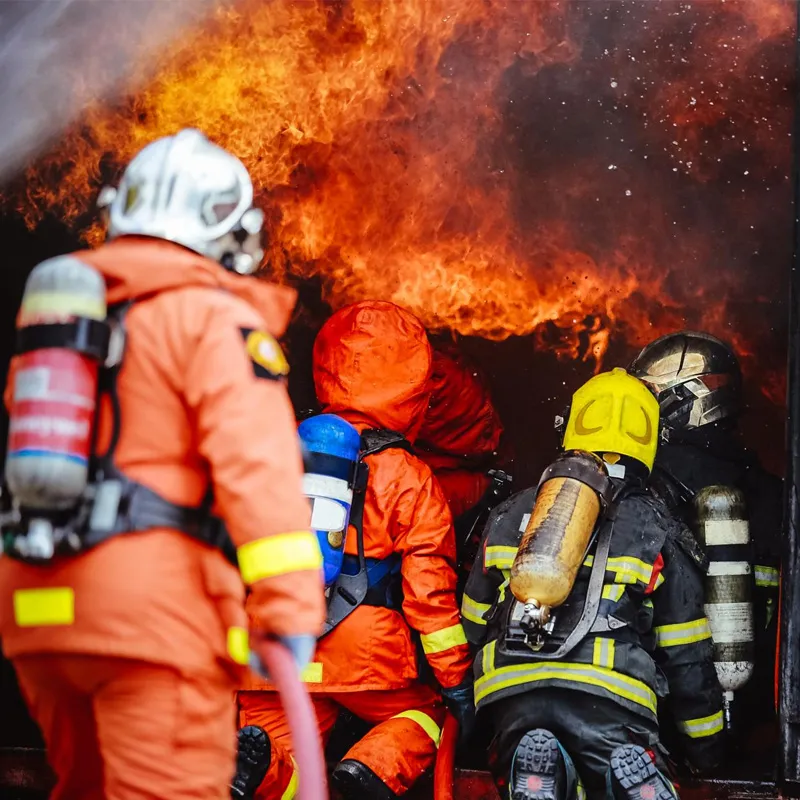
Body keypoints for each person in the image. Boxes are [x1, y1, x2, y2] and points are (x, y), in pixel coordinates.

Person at [0, 129, 325, 800]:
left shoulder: (67, 323)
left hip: (39, 615)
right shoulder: (211, 319)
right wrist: (290, 615)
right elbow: (259, 476)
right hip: (153, 623)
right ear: (226, 227)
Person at [233, 300, 473, 800]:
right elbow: (429, 594)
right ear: (413, 383)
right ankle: (368, 768)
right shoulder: (408, 475)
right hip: (367, 657)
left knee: (285, 748)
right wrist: (456, 679)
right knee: (425, 717)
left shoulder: (273, 454)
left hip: (274, 648)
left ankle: (265, 769)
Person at [462, 368, 724, 800]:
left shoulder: (511, 513)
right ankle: (626, 781)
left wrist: (469, 716)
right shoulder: (657, 523)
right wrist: (707, 751)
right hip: (612, 696)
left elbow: (473, 623)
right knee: (629, 758)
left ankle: (544, 776)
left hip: (509, 691)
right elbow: (686, 651)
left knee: (519, 754)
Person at [629, 331, 781, 745]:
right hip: (757, 702)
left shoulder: (646, 477)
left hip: (662, 699)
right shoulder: (769, 488)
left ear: (683, 399)